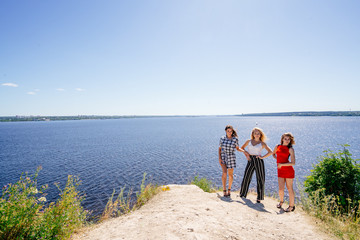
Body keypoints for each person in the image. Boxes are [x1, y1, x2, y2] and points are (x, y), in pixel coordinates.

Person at [239, 127, 273, 203]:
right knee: (246, 177)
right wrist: (247, 154)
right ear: (253, 134)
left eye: (258, 133)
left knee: (260, 178)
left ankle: (259, 197)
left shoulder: (262, 143)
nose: (257, 135)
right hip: (250, 160)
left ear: (260, 134)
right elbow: (242, 148)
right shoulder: (249, 141)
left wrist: (262, 157)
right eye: (255, 133)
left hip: (258, 160)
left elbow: (270, 152)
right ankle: (242, 194)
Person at [218, 125, 245, 197]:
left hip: (231, 157)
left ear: (232, 131)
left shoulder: (235, 139)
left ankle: (229, 189)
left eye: (231, 131)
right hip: (223, 156)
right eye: (228, 131)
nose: (229, 132)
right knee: (224, 173)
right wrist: (219, 158)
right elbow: (220, 149)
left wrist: (245, 152)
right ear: (225, 131)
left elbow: (237, 148)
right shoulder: (222, 138)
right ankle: (224, 190)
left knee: (230, 175)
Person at [272, 132, 296, 212]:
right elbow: (273, 154)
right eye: (285, 139)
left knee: (289, 188)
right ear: (282, 139)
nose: (287, 140)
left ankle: (291, 206)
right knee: (281, 189)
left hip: (288, 170)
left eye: (288, 139)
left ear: (290, 140)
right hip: (280, 170)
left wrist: (282, 164)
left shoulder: (290, 149)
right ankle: (281, 202)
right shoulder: (277, 146)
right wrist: (278, 160)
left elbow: (293, 163)